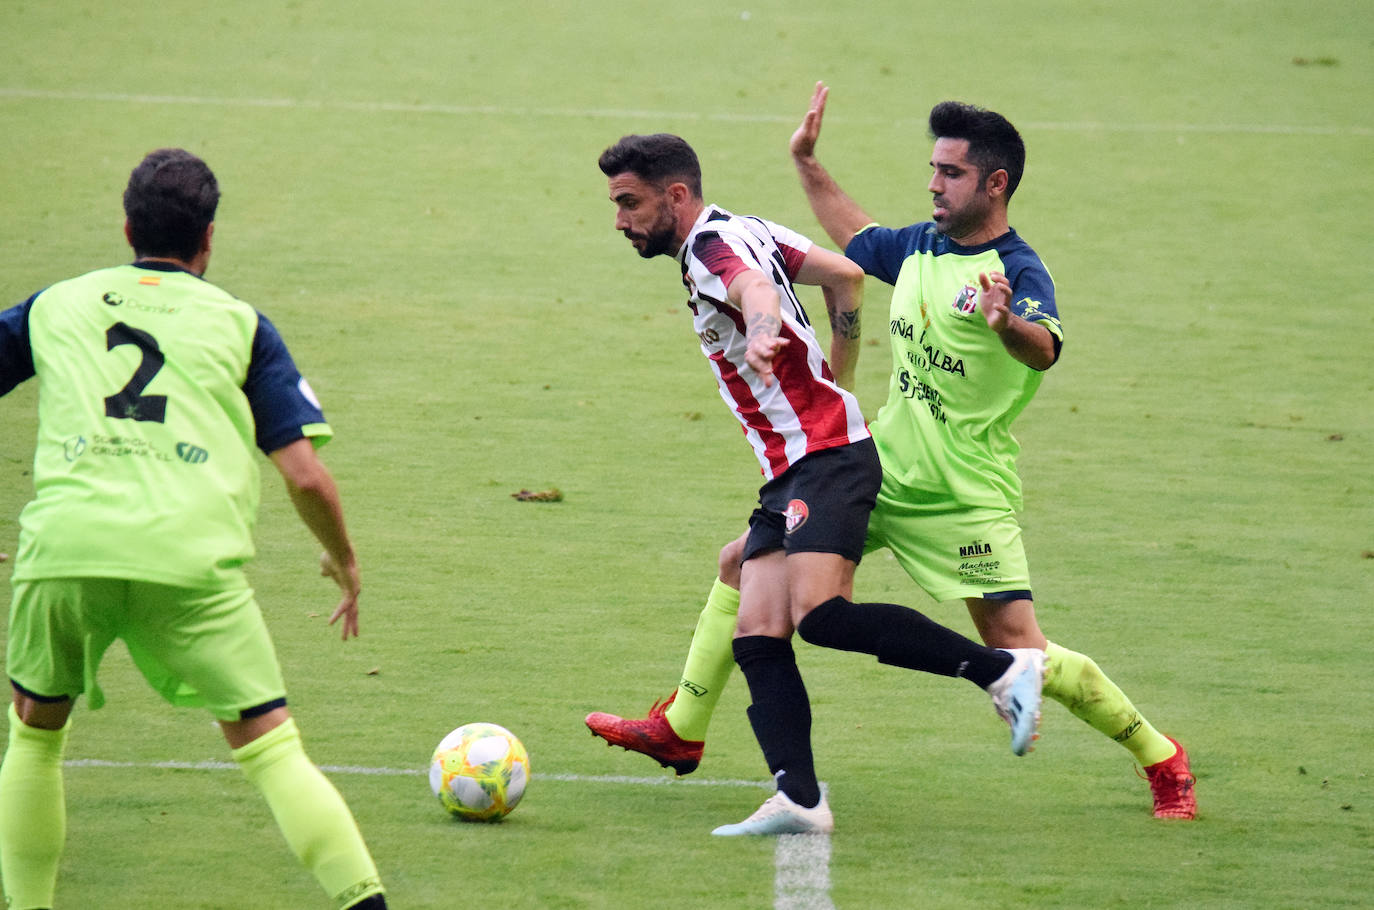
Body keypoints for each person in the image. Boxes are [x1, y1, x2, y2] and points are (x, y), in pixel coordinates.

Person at [586, 86, 1197, 822]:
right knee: (742, 564)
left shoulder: (1018, 268)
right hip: (878, 465)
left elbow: (1045, 350)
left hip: (963, 492)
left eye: (952, 173)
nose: (934, 184)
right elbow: (853, 243)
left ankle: (1159, 756)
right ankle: (682, 726)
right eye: (933, 169)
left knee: (1024, 651)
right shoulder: (920, 247)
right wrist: (806, 163)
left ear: (995, 183)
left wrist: (1006, 324)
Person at [597, 133, 1046, 837]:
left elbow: (751, 289)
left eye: (630, 203)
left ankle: (1000, 670)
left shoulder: (715, 253)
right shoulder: (744, 227)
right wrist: (840, 369)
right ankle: (800, 800)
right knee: (758, 627)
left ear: (675, 195)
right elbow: (845, 275)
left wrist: (766, 330)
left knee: (822, 616)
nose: (621, 220)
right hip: (796, 463)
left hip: (826, 459)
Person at [0, 149, 388, 908]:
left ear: (126, 228)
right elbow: (304, 474)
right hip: (189, 569)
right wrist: (342, 559)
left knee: (35, 734)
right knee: (271, 747)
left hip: (66, 554)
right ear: (208, 238)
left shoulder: (59, 303)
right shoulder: (240, 325)